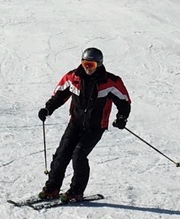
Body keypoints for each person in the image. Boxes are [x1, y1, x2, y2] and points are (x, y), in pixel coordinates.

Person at [37, 47, 131, 202]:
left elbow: (124, 102)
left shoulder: (111, 82)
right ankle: (52, 188)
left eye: (91, 65)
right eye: (85, 63)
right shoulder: (72, 77)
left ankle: (76, 191)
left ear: (99, 65)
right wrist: (48, 109)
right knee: (62, 154)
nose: (87, 68)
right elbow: (59, 95)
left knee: (78, 156)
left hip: (95, 127)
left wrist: (121, 117)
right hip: (75, 123)